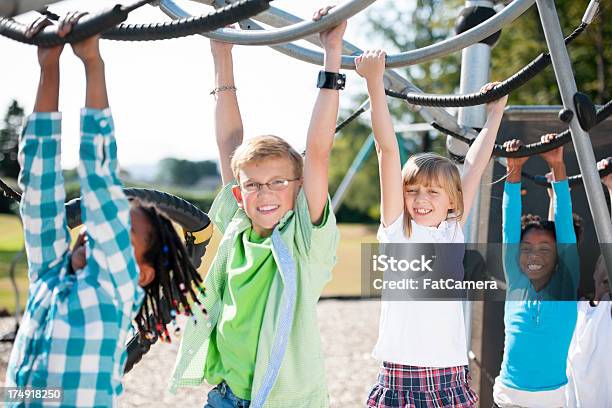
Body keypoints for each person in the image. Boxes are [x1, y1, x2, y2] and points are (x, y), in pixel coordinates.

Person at [6, 13, 204, 407]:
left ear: (142, 272)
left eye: (115, 230)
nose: (94, 230)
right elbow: (39, 185)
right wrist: (49, 67)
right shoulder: (50, 274)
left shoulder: (111, 290)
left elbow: (100, 184)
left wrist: (93, 64)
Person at [169, 6, 344, 408]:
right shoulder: (236, 227)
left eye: (279, 182)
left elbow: (318, 152)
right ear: (238, 194)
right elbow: (230, 141)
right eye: (254, 185)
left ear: (299, 189)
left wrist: (331, 53)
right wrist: (222, 54)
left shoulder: (303, 240)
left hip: (285, 400)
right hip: (226, 396)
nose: (265, 194)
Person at [355, 49, 507, 407]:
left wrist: (495, 115)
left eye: (432, 190)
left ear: (451, 199)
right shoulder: (398, 230)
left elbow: (474, 165)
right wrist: (375, 84)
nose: (420, 198)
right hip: (402, 375)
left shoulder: (452, 229)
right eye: (412, 190)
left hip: (450, 373)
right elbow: (387, 152)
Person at [493, 135, 579, 407]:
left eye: (545, 248)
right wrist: (513, 171)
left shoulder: (566, 284)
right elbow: (509, 229)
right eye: (527, 247)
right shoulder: (517, 282)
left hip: (551, 401)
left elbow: (564, 224)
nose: (534, 254)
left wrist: (558, 166)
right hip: (507, 399)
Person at [565, 157, 612, 408]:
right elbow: (558, 261)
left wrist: (611, 188)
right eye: (605, 276)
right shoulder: (578, 311)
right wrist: (558, 192)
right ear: (594, 273)